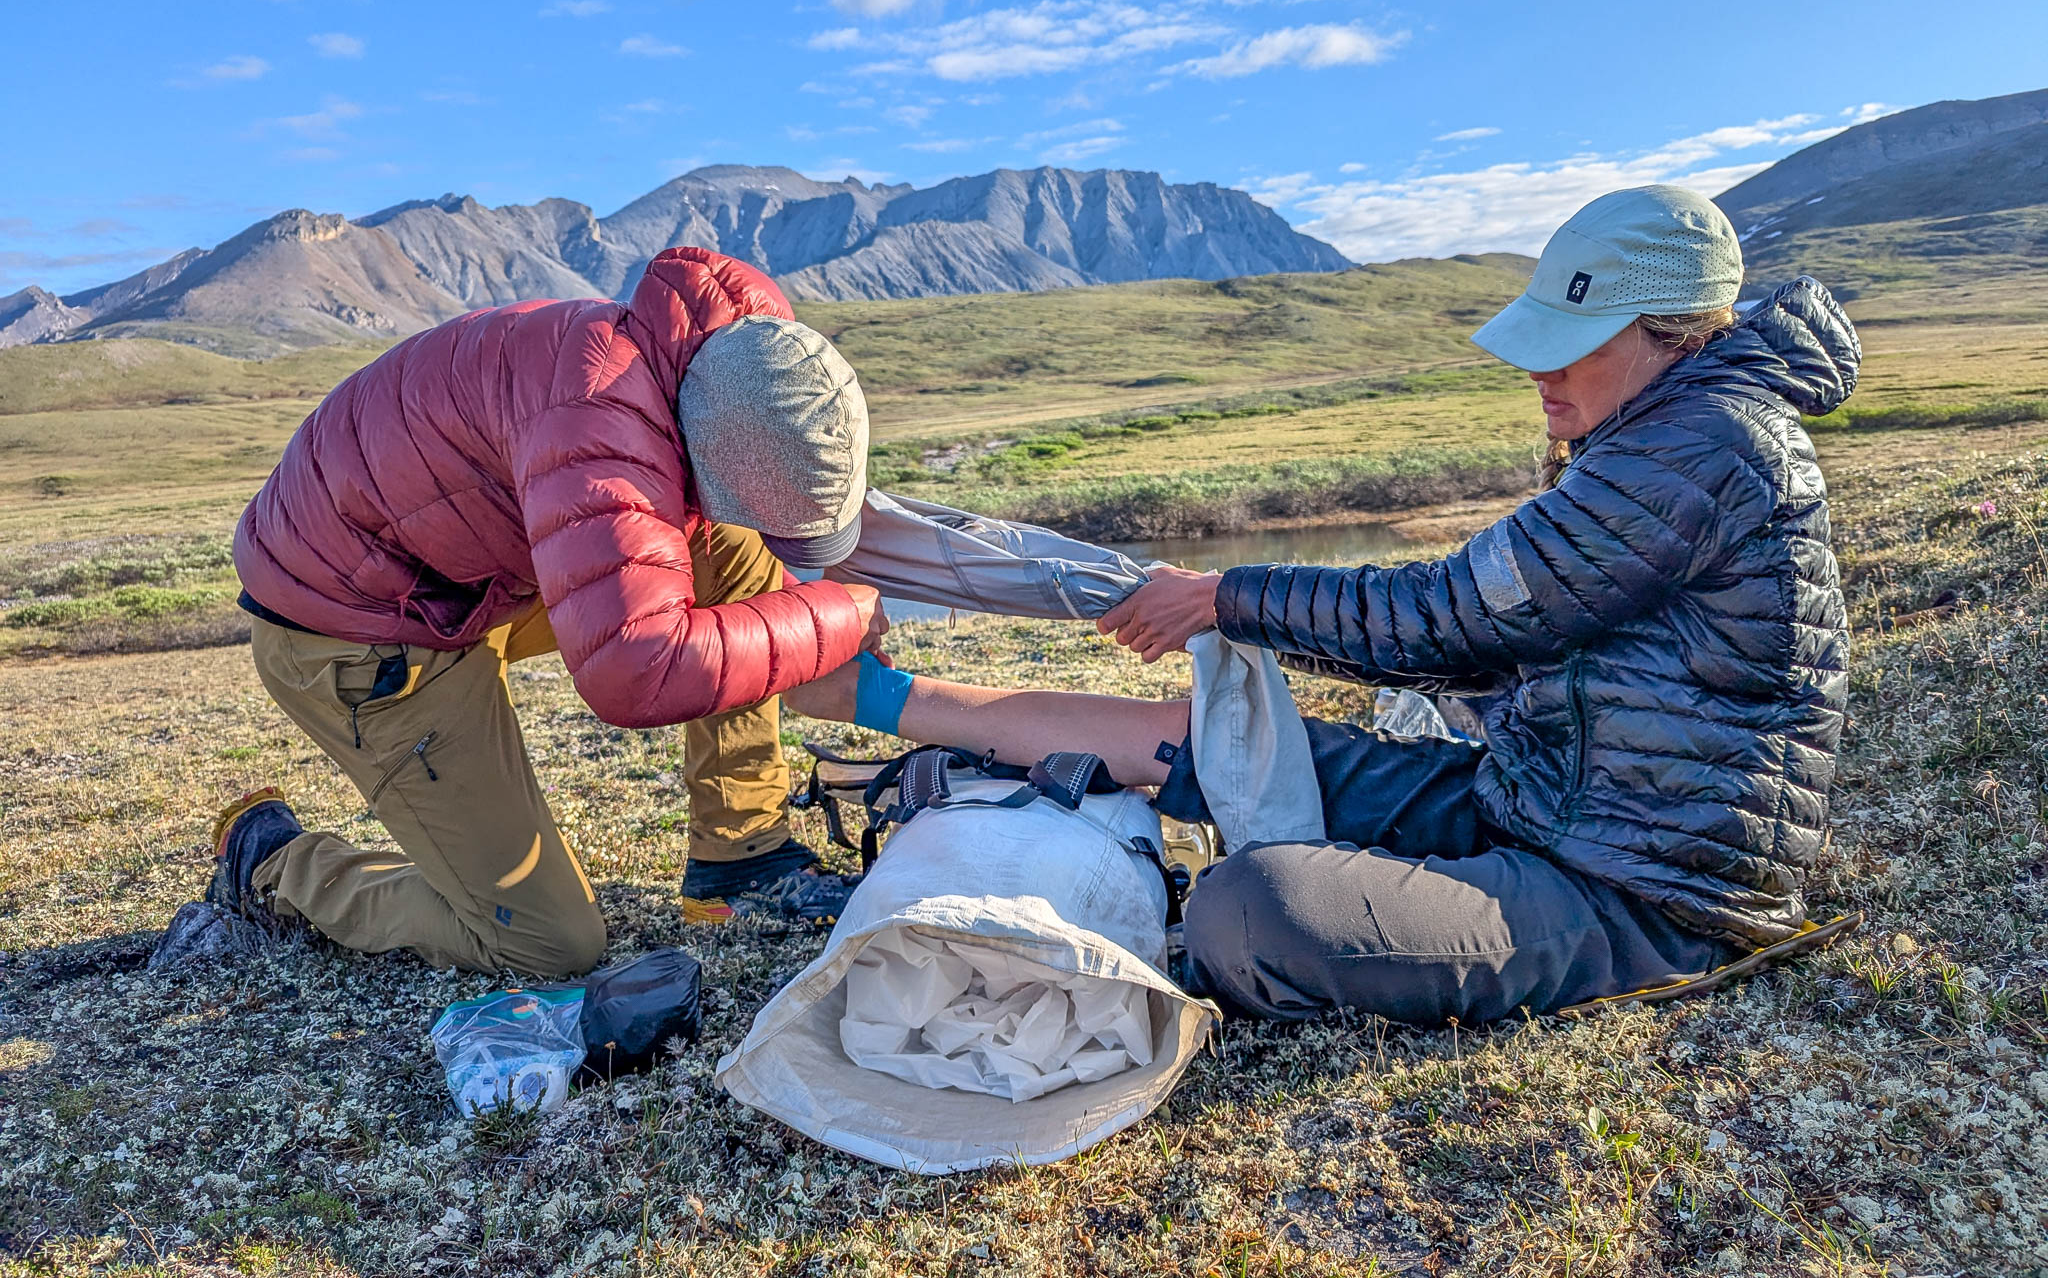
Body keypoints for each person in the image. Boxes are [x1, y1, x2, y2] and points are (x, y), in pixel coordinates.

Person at [788, 185, 1857, 1025]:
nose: (1539, 374)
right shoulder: (1660, 437)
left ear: (1672, 332)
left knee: (1247, 909)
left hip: (1639, 895)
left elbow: (1452, 613)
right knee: (1214, 740)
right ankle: (875, 697)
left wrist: (1226, 598)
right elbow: (1479, 638)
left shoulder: (1706, 445)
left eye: (1570, 341)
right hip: (1533, 802)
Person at [200, 247, 888, 979]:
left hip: (471, 578)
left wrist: (804, 611)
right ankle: (272, 862)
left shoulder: (719, 364)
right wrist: (836, 617)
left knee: (736, 554)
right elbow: (637, 667)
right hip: (362, 635)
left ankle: (738, 858)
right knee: (547, 943)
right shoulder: (597, 432)